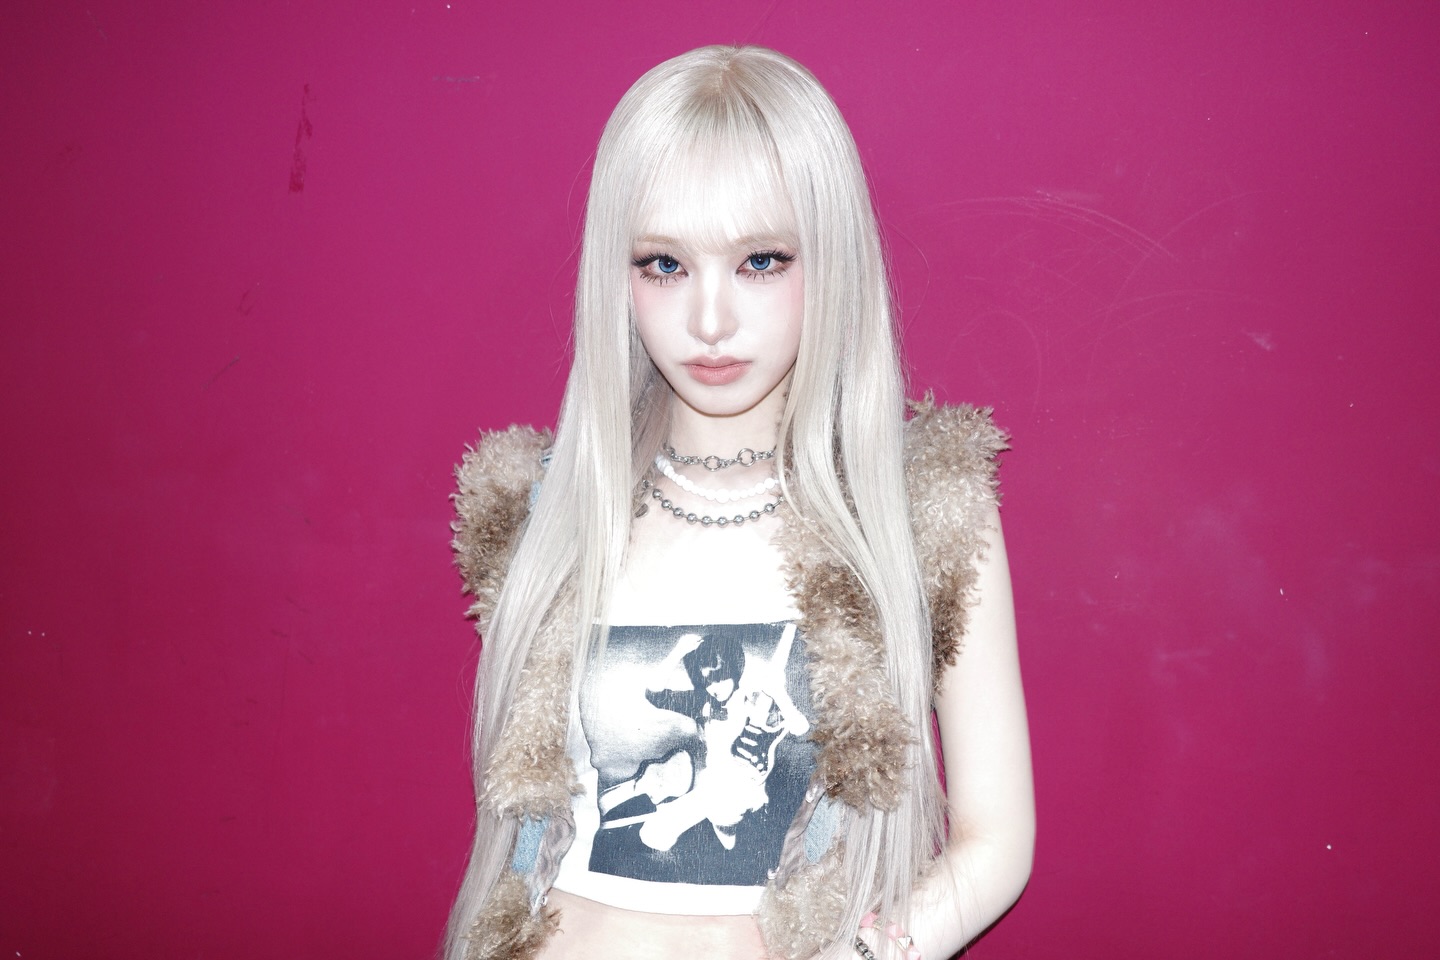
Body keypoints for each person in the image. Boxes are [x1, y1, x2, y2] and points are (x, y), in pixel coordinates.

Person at [445, 45, 1034, 960]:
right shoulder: (539, 508)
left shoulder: (923, 515)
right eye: (664, 265)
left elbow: (995, 845)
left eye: (760, 261)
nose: (709, 320)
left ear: (829, 258)